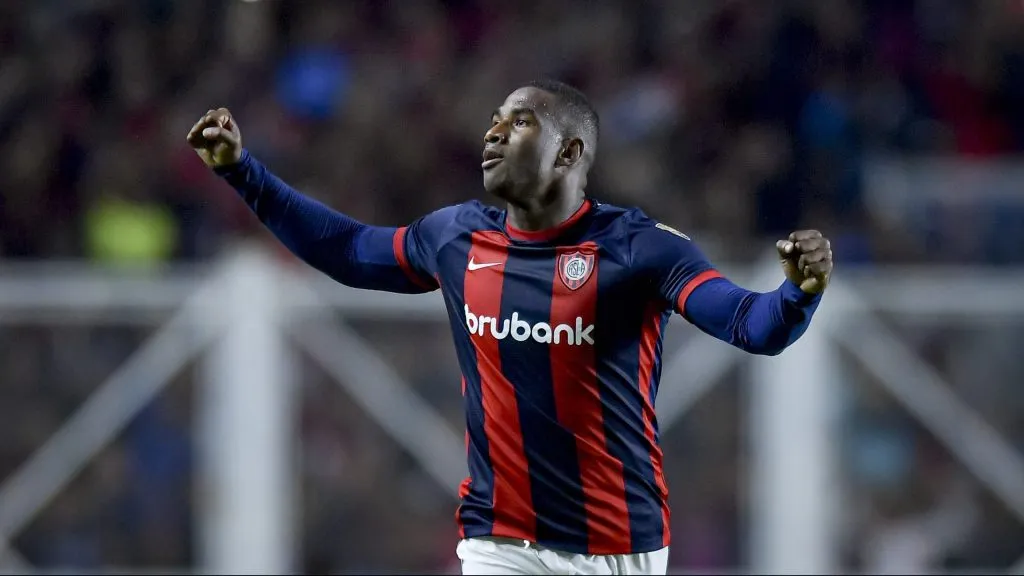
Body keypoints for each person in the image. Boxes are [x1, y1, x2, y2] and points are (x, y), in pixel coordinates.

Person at [187, 79, 832, 576]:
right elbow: (352, 252)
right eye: (493, 121)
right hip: (501, 540)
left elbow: (753, 325)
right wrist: (245, 173)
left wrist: (799, 293)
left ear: (570, 151)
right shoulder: (457, 237)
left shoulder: (640, 249)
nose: (493, 134)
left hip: (622, 546)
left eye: (519, 121)